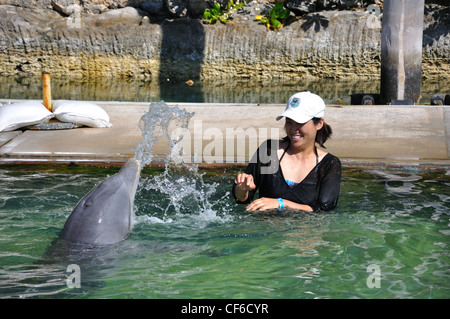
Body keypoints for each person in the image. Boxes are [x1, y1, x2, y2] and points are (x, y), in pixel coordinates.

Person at [232, 91, 341, 212]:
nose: (293, 130)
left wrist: (282, 203)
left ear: (319, 123)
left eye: (299, 123)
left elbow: (324, 209)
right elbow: (242, 200)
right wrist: (241, 189)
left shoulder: (330, 164)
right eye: (289, 122)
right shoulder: (269, 150)